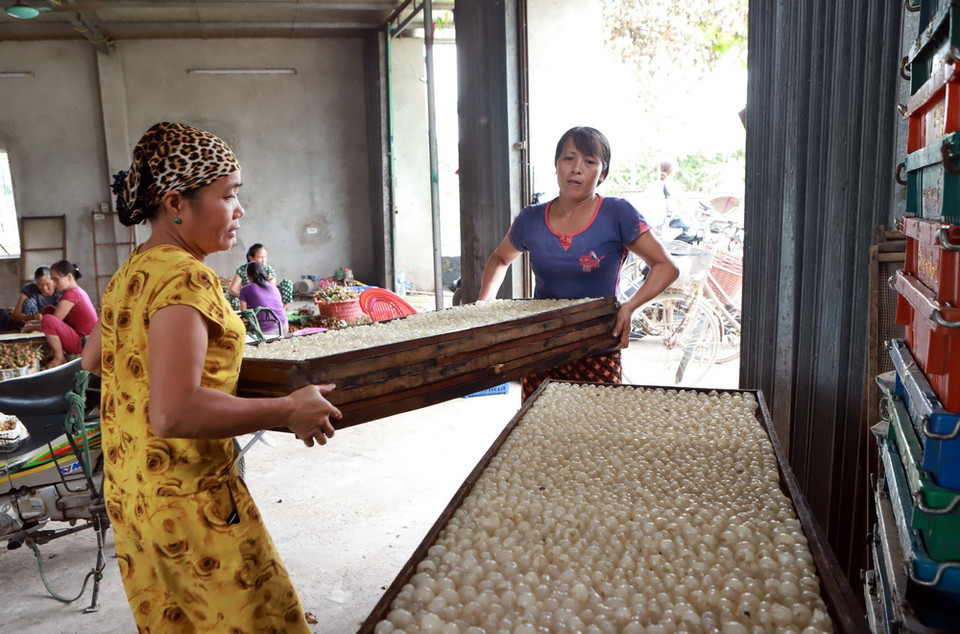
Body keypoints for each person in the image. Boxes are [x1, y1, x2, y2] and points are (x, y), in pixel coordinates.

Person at [81, 122, 340, 632]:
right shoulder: (185, 276)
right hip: (190, 503)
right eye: (228, 195)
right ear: (177, 203)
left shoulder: (134, 269)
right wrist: (288, 409)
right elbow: (174, 411)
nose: (239, 210)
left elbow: (94, 357)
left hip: (134, 494)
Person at [478, 126, 680, 400]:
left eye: (589, 161)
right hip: (541, 347)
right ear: (556, 165)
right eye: (569, 158)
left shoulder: (618, 214)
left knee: (597, 421)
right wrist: (483, 308)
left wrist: (629, 307)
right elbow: (501, 258)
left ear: (602, 173)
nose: (576, 168)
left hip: (597, 346)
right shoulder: (530, 219)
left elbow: (666, 266)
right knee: (540, 420)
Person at [40, 260, 98, 367]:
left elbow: (54, 320)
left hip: (85, 343)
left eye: (56, 280)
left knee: (48, 319)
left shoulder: (71, 295)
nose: (54, 284)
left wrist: (31, 327)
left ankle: (59, 357)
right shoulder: (77, 291)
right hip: (86, 339)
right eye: (53, 280)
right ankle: (55, 350)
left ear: (69, 277)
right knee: (48, 310)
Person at [227, 242, 293, 310]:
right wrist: (246, 297)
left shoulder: (268, 269)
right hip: (250, 301)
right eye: (260, 257)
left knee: (287, 283)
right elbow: (232, 290)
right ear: (251, 258)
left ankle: (280, 310)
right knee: (227, 298)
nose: (264, 260)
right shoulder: (243, 269)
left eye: (265, 257)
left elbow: (271, 290)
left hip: (267, 300)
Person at [239, 260, 289, 337]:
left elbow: (245, 318)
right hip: (284, 326)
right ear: (265, 274)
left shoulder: (245, 290)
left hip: (267, 331)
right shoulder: (273, 287)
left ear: (248, 276)